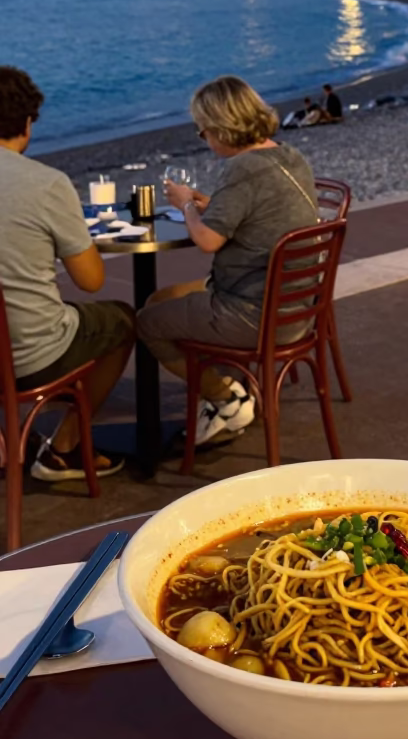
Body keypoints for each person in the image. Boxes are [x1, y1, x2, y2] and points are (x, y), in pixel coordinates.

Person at [137, 75, 319, 447]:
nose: (203, 138)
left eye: (203, 131)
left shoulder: (242, 168)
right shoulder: (288, 155)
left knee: (146, 323)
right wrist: (213, 204)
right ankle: (222, 387)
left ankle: (227, 400)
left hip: (253, 314)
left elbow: (207, 240)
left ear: (221, 127)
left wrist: (186, 205)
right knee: (160, 300)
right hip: (297, 309)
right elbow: (258, 210)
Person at [0, 67, 134, 482]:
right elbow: (91, 280)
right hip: (30, 357)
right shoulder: (45, 184)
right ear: (27, 123)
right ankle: (65, 447)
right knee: (122, 320)